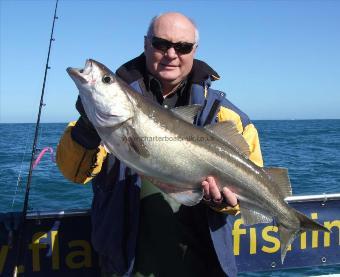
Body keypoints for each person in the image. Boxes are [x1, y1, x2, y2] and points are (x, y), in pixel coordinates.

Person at [56, 12, 263, 277]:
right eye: (161, 44)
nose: (171, 54)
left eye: (183, 47)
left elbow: (251, 182)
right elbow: (73, 173)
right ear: (146, 44)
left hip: (204, 267)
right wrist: (87, 127)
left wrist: (224, 202)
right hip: (127, 267)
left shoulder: (227, 116)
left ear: (194, 50)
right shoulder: (104, 113)